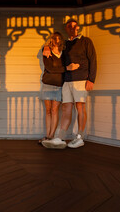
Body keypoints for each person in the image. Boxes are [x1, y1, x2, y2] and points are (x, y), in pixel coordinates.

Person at [42, 18, 97, 149]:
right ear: (66, 29)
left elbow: (93, 60)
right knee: (66, 109)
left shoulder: (86, 41)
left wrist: (91, 79)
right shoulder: (66, 44)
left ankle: (79, 138)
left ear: (78, 28)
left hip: (81, 80)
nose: (72, 28)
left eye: (74, 26)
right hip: (67, 81)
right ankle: (60, 138)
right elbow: (56, 50)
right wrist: (46, 47)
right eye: (69, 26)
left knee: (80, 108)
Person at [39, 32, 79, 144]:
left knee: (54, 110)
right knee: (48, 111)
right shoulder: (46, 51)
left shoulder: (64, 53)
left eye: (58, 38)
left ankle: (51, 136)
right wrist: (66, 68)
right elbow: (50, 68)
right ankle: (47, 135)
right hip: (47, 84)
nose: (56, 40)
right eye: (54, 38)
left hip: (59, 86)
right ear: (51, 40)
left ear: (61, 40)